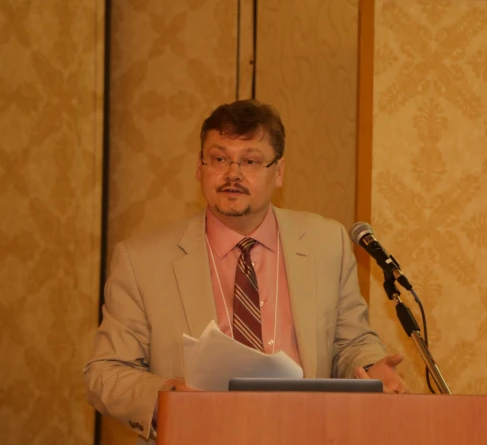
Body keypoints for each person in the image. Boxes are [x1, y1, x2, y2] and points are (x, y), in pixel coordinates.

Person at [84, 100, 406, 442]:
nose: (232, 174)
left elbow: (351, 342)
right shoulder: (142, 260)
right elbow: (105, 373)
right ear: (199, 167)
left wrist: (371, 370)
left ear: (278, 172)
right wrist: (166, 396)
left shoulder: (327, 243)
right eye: (219, 159)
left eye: (251, 161)